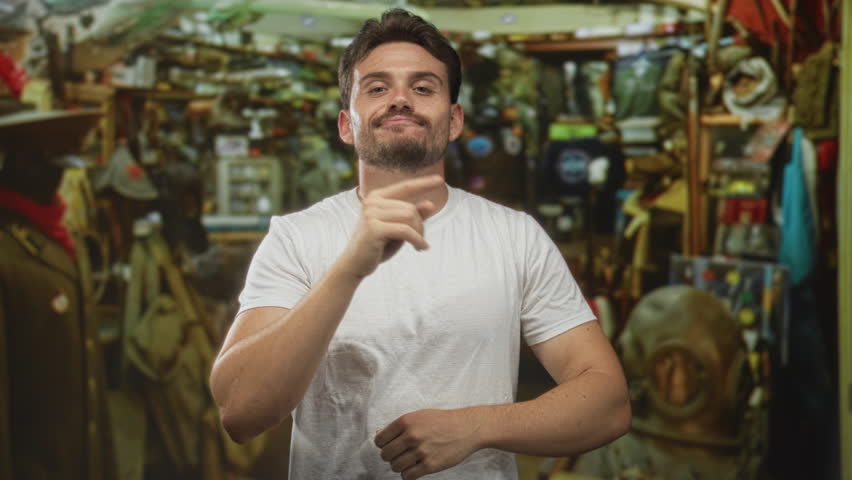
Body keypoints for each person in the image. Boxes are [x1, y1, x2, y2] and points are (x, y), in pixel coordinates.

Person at [210, 9, 630, 479]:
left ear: (453, 121)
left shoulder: (514, 235)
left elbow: (608, 402)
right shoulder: (298, 237)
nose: (401, 99)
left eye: (423, 87)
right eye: (377, 87)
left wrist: (475, 426)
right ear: (347, 125)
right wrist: (349, 268)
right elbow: (240, 412)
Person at [0, 104, 117, 479]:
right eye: (51, 171)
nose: (58, 184)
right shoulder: (8, 254)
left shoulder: (65, 243)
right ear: (18, 167)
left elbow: (90, 385)